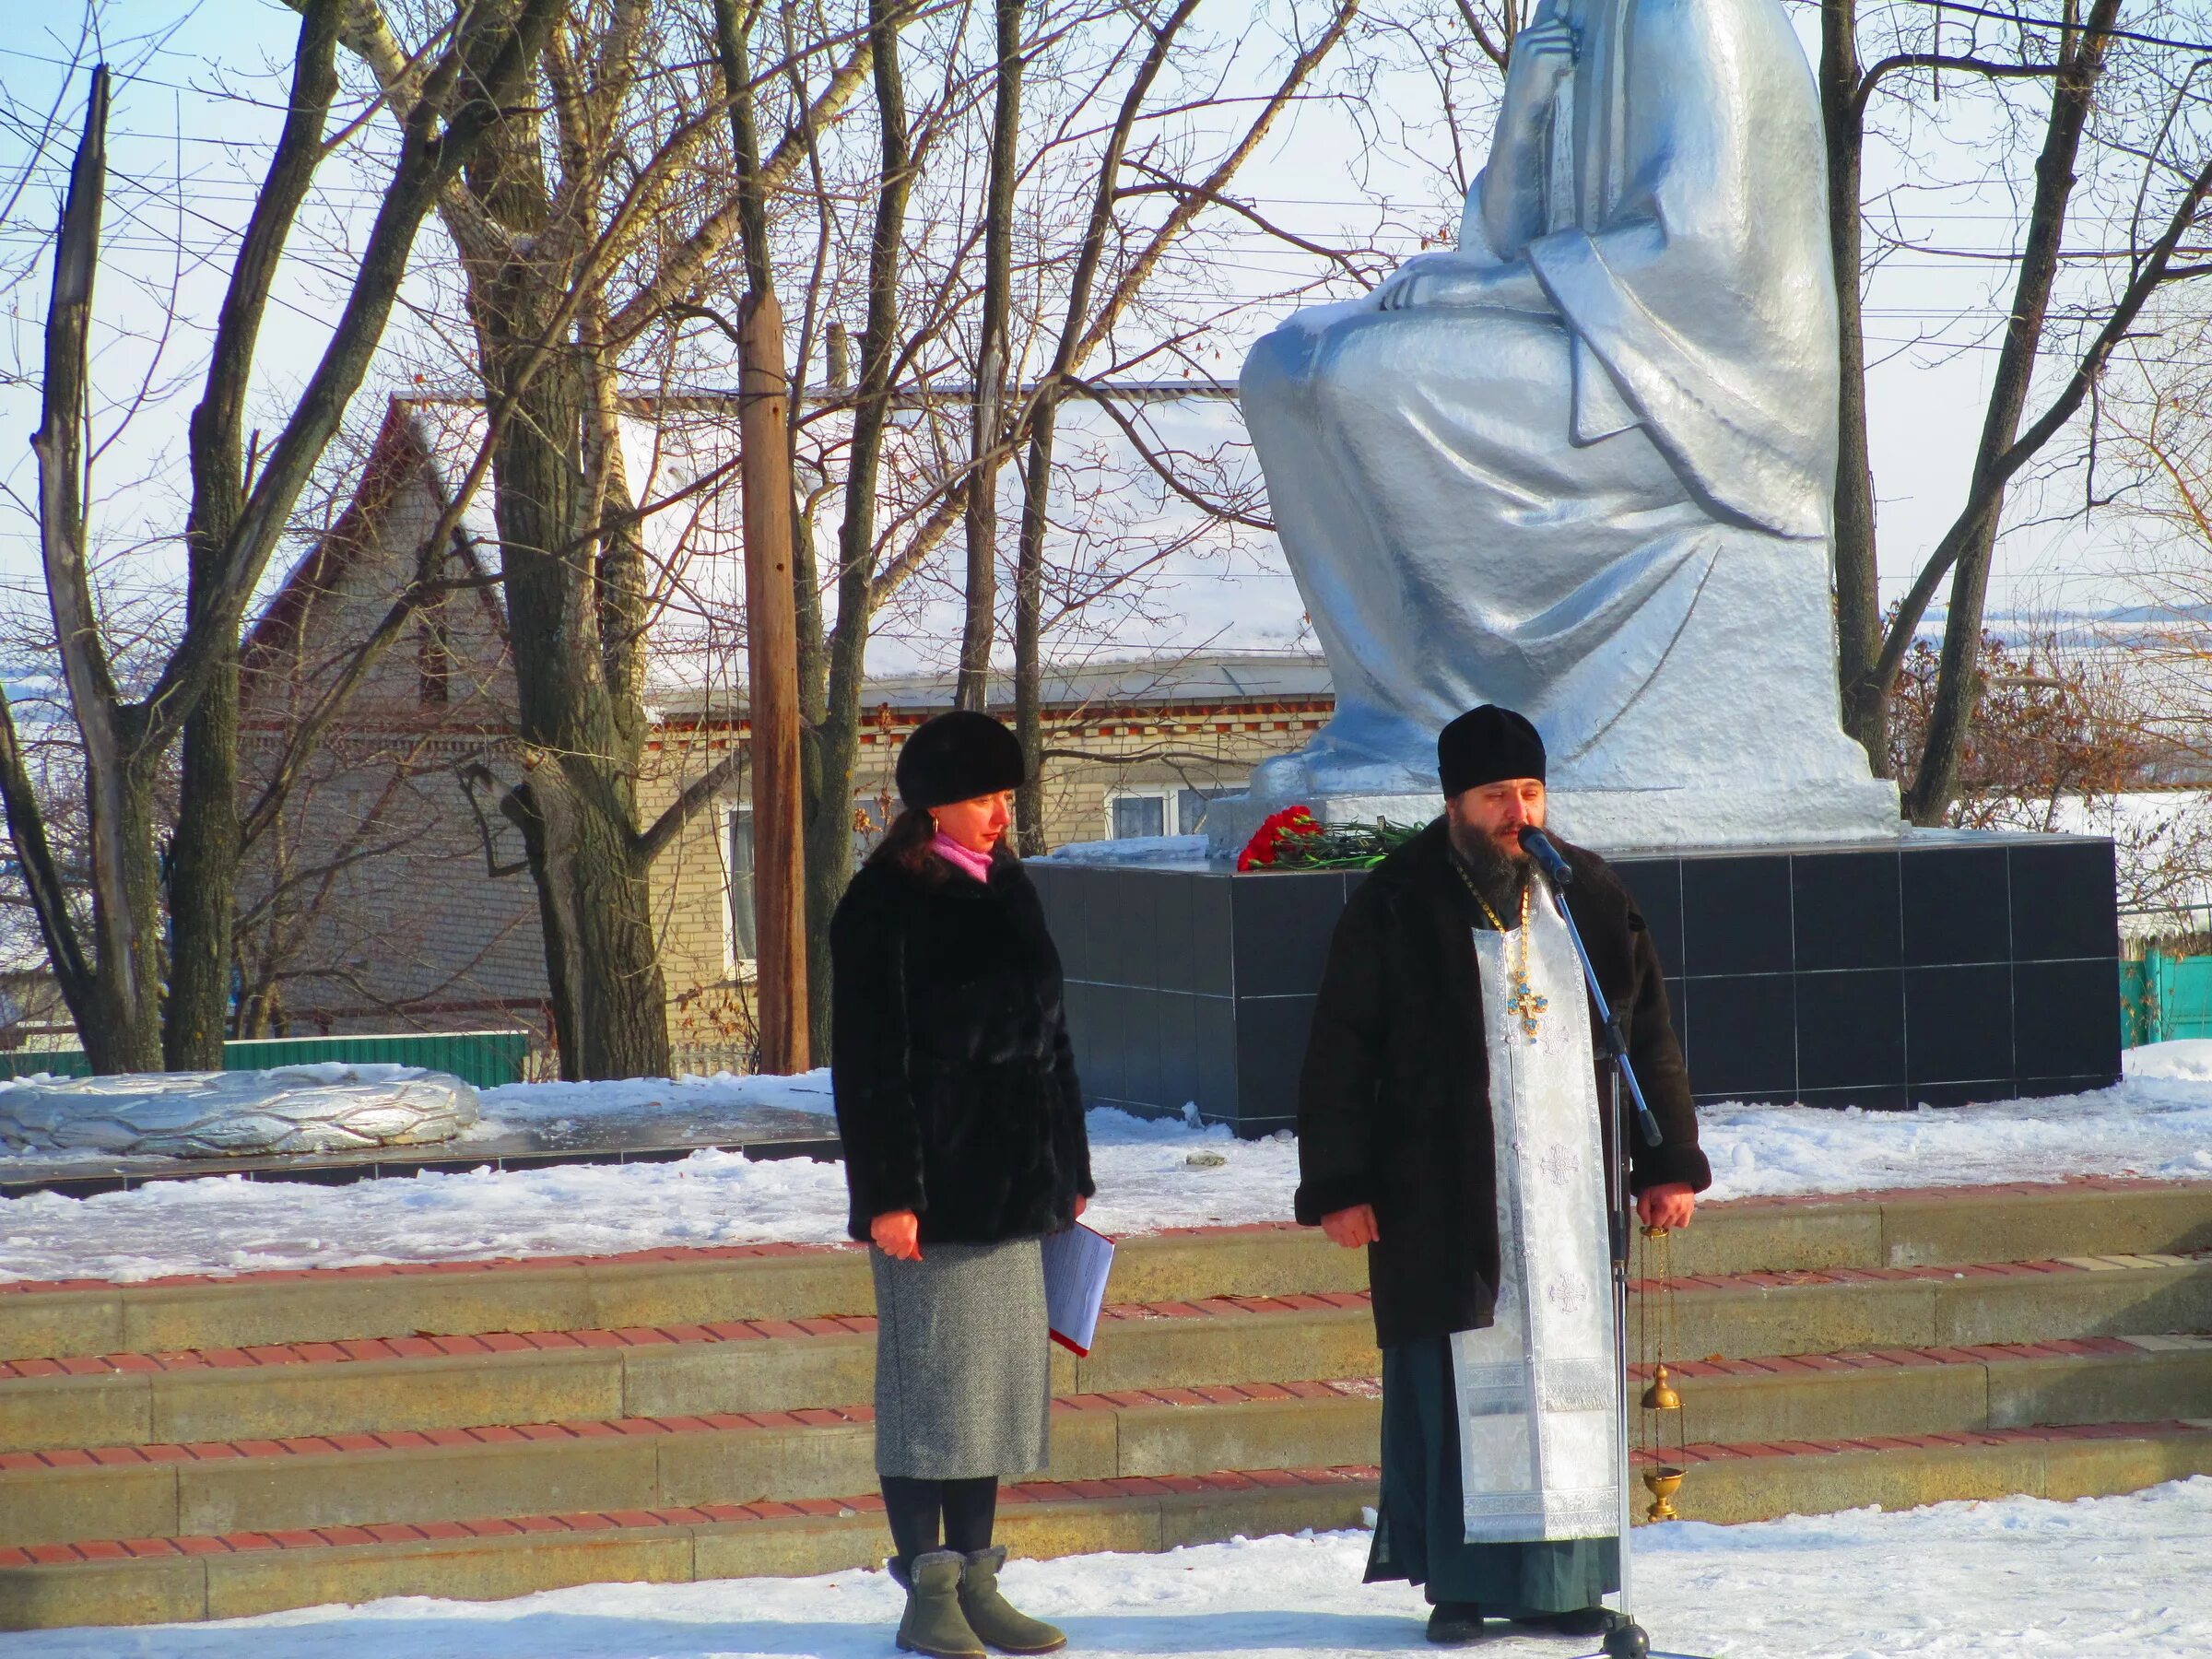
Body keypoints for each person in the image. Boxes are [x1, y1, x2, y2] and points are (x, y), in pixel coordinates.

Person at [1234, 0, 1898, 848]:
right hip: (1596, 336)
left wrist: (1488, 294)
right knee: (1281, 369)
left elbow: (1701, 250)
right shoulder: (1578, 11)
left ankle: (1439, 719)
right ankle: (1389, 718)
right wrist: (1523, 118)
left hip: (1696, 391)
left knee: (1362, 379)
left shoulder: (1696, 13)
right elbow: (1510, 240)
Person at [1294, 705, 1711, 1645]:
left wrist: (1668, 1163)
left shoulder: (1588, 894)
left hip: (1570, 1197)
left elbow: (1648, 1037)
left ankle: (1567, 1587)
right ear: (1454, 805)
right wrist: (1340, 1182)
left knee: (1565, 1381)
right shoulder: (1398, 899)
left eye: (1529, 792)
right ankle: (1462, 1586)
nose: (1517, 812)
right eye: (1495, 797)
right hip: (1442, 1195)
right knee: (1459, 1389)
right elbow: (1338, 1050)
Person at [830, 709, 1095, 1659]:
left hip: (1015, 1189)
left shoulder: (1011, 888)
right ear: (933, 805)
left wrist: (1071, 1169)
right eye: (984, 797)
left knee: (987, 1397)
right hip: (933, 1198)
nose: (999, 814)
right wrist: (889, 1195)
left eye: (1004, 797)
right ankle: (927, 1590)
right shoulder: (884, 904)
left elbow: (1052, 1043)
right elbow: (868, 1065)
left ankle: (979, 1578)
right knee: (929, 1399)